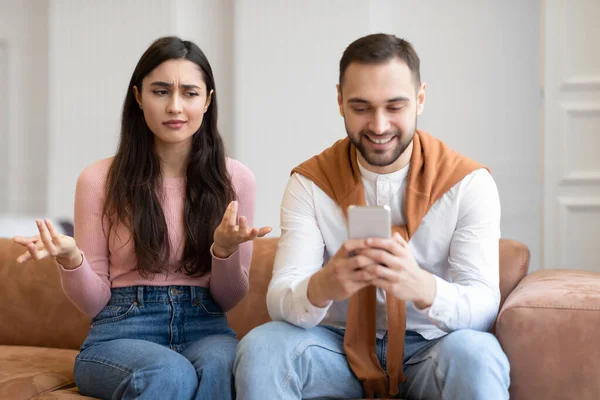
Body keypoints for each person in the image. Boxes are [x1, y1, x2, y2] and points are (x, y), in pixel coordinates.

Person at [234, 33, 509, 400]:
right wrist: (322, 287)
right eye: (361, 108)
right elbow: (281, 294)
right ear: (339, 101)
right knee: (262, 347)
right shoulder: (310, 183)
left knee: (479, 354)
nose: (379, 126)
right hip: (333, 346)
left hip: (432, 346)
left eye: (395, 107)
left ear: (421, 99)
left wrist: (424, 288)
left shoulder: (468, 184)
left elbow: (484, 307)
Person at [13, 36, 270, 400]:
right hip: (120, 333)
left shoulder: (236, 179)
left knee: (224, 365)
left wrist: (224, 253)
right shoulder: (98, 179)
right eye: (161, 91)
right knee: (168, 372)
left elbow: (228, 299)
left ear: (208, 101)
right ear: (138, 97)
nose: (175, 106)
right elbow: (93, 302)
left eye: (190, 93)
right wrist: (71, 259)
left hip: (205, 327)